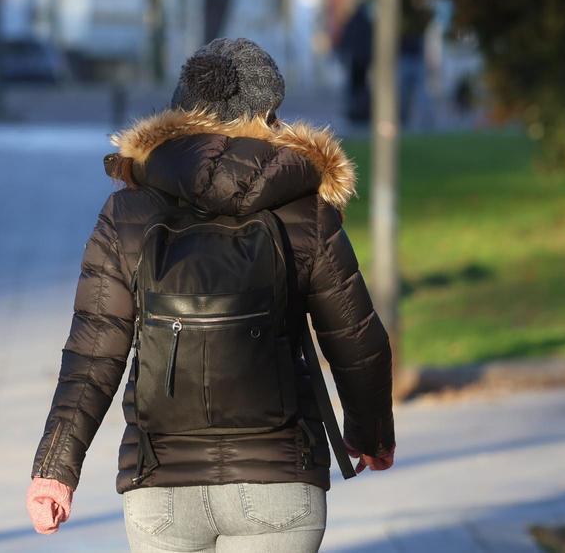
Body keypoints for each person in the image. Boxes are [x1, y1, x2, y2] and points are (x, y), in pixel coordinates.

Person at [26, 38, 396, 552]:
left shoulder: (128, 214)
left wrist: (55, 470)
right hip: (280, 482)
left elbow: (93, 353)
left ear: (181, 111)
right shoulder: (306, 212)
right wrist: (370, 433)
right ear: (268, 114)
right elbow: (358, 342)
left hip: (159, 485)